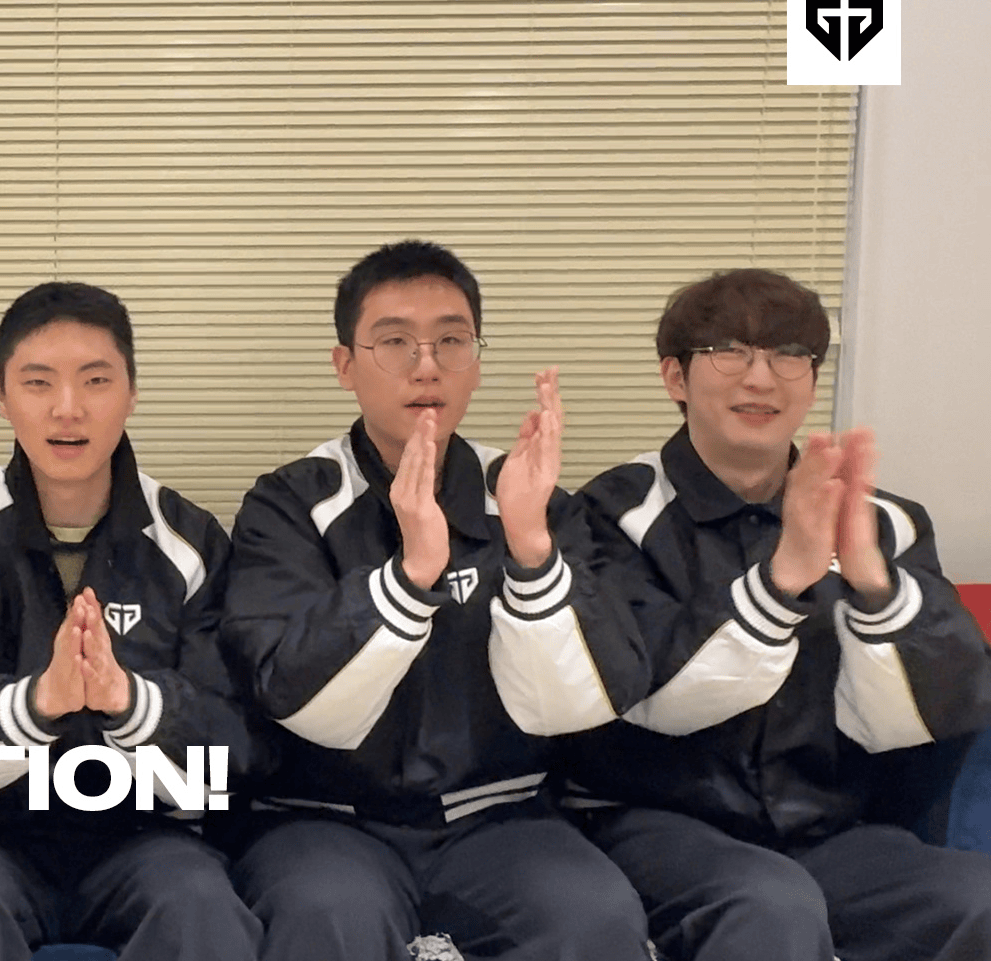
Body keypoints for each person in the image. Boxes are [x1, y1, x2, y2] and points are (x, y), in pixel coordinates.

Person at [220, 239, 652, 961]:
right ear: (345, 365)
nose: (426, 366)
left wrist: (531, 549)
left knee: (594, 917)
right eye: (395, 342)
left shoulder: (529, 495)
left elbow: (587, 700)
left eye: (451, 341)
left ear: (475, 362)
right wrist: (411, 575)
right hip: (321, 822)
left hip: (501, 820)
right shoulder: (290, 503)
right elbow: (288, 691)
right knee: (326, 916)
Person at [562, 268, 991, 961]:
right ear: (675, 377)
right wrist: (782, 579)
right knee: (769, 907)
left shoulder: (884, 520)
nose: (761, 378)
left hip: (825, 828)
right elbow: (645, 695)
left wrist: (873, 586)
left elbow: (946, 707)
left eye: (790, 354)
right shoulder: (612, 512)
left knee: (976, 900)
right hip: (651, 821)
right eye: (729, 352)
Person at [0, 281, 262, 961]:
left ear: (131, 392)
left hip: (145, 838)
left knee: (201, 908)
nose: (68, 408)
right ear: (0, 394)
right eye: (38, 382)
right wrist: (35, 705)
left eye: (96, 381)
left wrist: (129, 703)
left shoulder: (187, 542)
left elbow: (234, 753)